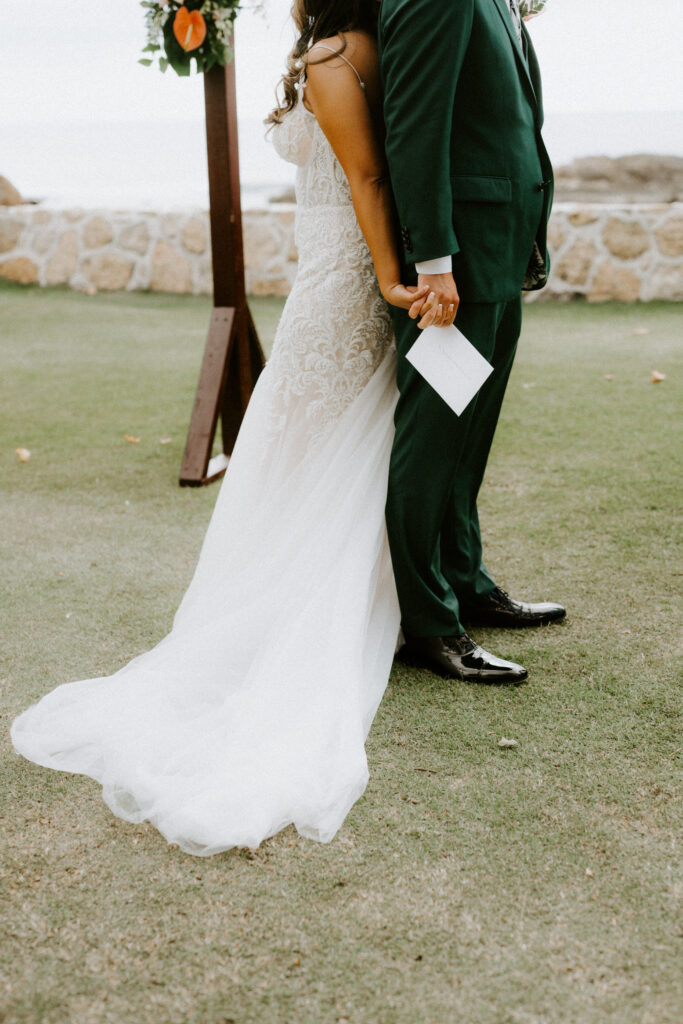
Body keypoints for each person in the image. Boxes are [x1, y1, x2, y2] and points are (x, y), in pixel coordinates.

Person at [10, 1, 436, 857]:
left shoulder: (335, 53)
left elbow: (366, 178)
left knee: (300, 446)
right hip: (336, 273)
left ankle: (287, 605)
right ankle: (342, 587)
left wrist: (393, 279)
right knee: (325, 447)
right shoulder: (379, 50)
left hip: (343, 284)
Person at [379, 0, 566, 682]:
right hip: (453, 262)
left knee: (469, 439)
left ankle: (466, 582)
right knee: (432, 440)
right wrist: (432, 262)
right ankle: (428, 621)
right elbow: (414, 126)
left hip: (500, 246)